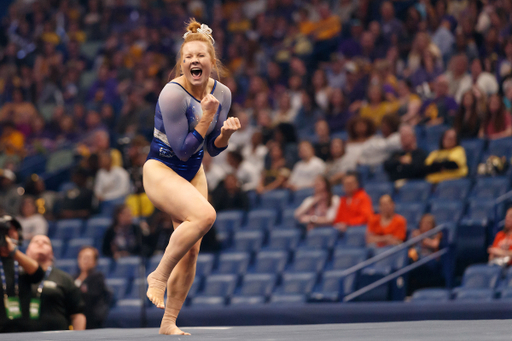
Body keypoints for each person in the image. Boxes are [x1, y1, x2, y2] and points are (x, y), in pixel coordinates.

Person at [143, 20, 240, 335]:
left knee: (193, 247)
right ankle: (157, 276)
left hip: (193, 170)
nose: (194, 61)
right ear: (181, 63)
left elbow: (211, 149)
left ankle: (169, 321)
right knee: (206, 215)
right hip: (162, 168)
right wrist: (209, 117)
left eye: (201, 56)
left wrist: (224, 134)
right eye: (188, 57)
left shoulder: (221, 93)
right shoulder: (173, 94)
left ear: (212, 63)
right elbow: (182, 150)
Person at [25, 235, 86, 331]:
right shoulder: (17, 276)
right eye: (36, 242)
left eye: (45, 243)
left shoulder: (64, 278)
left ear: (52, 253)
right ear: (27, 251)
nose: (40, 243)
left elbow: (77, 314)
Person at [0, 216, 45, 333]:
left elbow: (38, 274)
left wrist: (13, 251)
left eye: (13, 230)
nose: (9, 234)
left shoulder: (22, 262)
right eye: (5, 231)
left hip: (24, 331)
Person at [74, 246, 110, 329]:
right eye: (82, 257)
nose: (85, 260)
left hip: (92, 320)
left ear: (95, 262)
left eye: (88, 258)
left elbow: (90, 295)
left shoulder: (98, 277)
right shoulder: (73, 278)